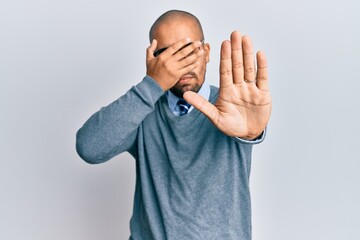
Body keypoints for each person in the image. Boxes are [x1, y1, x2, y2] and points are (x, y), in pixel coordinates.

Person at [76, 9, 271, 240]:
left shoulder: (234, 107)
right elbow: (89, 148)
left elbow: (247, 126)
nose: (181, 64)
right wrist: (152, 84)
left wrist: (252, 133)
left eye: (189, 50)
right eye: (168, 54)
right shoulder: (142, 109)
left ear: (206, 52)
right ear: (153, 59)